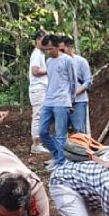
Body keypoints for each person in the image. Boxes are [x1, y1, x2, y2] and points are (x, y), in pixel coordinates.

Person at [39, 34, 76, 166]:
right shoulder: (48, 62)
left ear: (56, 47)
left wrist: (71, 101)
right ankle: (56, 155)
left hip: (62, 101)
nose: (48, 52)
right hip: (49, 100)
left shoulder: (67, 60)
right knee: (42, 131)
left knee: (60, 134)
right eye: (46, 50)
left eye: (50, 49)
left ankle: (61, 163)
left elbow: (73, 82)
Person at [58, 35, 93, 134]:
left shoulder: (81, 62)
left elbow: (88, 81)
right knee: (61, 131)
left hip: (79, 101)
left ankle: (81, 148)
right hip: (63, 102)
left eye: (62, 50)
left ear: (69, 47)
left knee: (79, 130)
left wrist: (75, 93)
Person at [28, 29, 49, 154]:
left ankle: (40, 141)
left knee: (41, 115)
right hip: (38, 89)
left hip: (41, 88)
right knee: (38, 115)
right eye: (43, 40)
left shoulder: (41, 54)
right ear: (38, 40)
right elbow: (35, 71)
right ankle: (36, 144)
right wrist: (48, 70)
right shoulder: (36, 54)